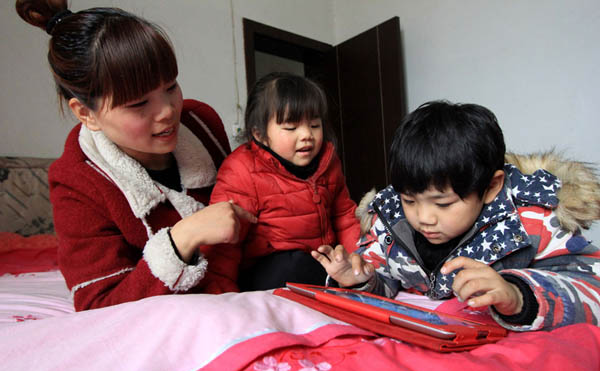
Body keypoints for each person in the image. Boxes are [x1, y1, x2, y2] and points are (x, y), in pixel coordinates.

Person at [16, 0, 256, 311]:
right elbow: (99, 304)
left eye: (171, 87)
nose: (168, 112)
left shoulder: (201, 121)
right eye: (139, 104)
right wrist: (182, 238)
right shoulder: (77, 180)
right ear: (86, 113)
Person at [312, 100, 600, 331]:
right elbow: (382, 278)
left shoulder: (533, 219)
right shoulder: (388, 216)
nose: (424, 217)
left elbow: (593, 290)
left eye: (444, 204)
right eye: (410, 200)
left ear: (491, 187)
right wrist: (358, 279)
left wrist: (518, 296)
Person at [206, 72, 361, 291]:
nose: (307, 134)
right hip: (268, 271)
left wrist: (359, 260)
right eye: (291, 127)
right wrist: (221, 295)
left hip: (320, 262)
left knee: (342, 265)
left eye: (315, 125)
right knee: (296, 265)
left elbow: (344, 217)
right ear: (259, 134)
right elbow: (225, 245)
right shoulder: (241, 169)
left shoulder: (328, 162)